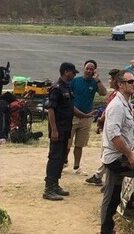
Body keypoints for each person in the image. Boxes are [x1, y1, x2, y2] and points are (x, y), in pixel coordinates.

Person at [100, 71, 134, 233]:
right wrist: (130, 155)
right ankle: (132, 208)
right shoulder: (117, 106)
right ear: (120, 84)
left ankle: (106, 229)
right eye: (130, 82)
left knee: (112, 196)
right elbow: (114, 136)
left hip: (117, 156)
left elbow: (131, 116)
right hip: (117, 158)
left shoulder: (123, 103)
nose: (133, 84)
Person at [44, 62, 79, 201]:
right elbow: (50, 109)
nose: (74, 75)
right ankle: (49, 188)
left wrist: (85, 115)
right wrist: (54, 130)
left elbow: (70, 107)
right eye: (73, 72)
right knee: (55, 157)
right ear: (66, 72)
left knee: (61, 157)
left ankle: (55, 184)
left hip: (65, 128)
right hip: (58, 129)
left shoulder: (66, 87)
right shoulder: (56, 88)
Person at [68, 60, 107, 175]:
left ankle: (76, 167)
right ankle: (64, 161)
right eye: (87, 68)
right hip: (73, 116)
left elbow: (103, 93)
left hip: (86, 117)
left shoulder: (94, 83)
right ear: (83, 68)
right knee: (67, 143)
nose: (89, 71)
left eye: (91, 69)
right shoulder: (75, 81)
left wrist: (97, 80)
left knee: (80, 144)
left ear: (95, 71)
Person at [86, 69, 122, 187]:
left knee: (108, 154)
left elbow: (108, 111)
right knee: (107, 153)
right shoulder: (115, 94)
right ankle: (100, 176)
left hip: (111, 127)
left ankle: (100, 177)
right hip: (107, 125)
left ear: (116, 81)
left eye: (111, 79)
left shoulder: (117, 96)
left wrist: (101, 120)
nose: (109, 81)